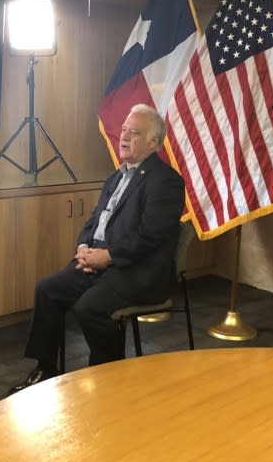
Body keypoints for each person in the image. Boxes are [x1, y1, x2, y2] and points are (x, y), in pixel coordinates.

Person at [10, 104, 185, 394]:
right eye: (124, 130)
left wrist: (108, 256)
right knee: (48, 290)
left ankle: (108, 380)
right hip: (100, 261)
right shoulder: (116, 177)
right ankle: (45, 369)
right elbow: (95, 221)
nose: (124, 137)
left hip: (137, 269)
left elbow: (151, 235)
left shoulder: (165, 181)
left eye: (135, 133)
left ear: (154, 143)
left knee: (88, 308)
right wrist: (83, 247)